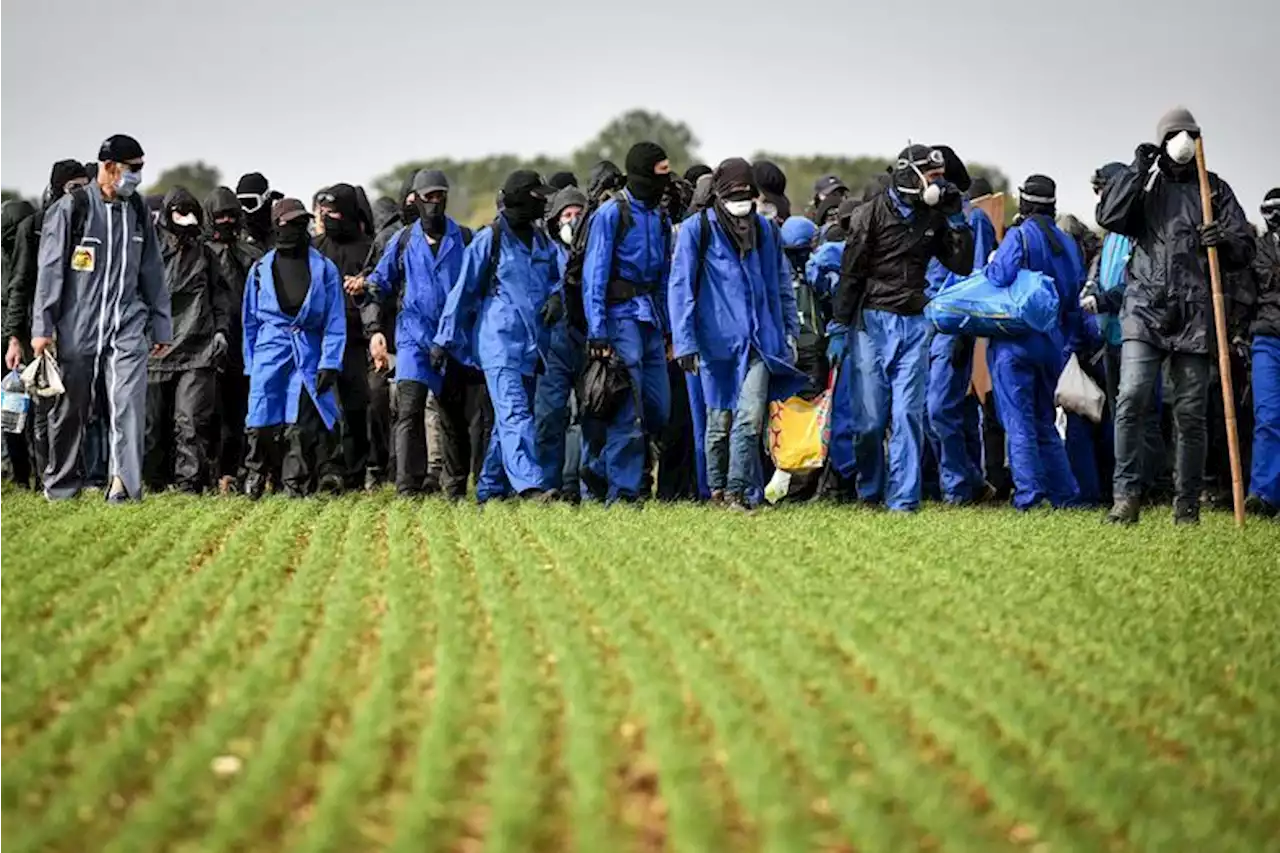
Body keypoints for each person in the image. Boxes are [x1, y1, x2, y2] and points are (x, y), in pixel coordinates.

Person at [1097, 108, 1255, 525]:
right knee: (1130, 397)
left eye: (1190, 134)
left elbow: (1245, 249)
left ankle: (1186, 502)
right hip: (1145, 307)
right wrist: (1137, 167)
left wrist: (1223, 239)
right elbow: (1110, 217)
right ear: (1164, 139)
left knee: (1190, 410)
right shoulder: (1146, 183)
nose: (1183, 140)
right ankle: (1125, 495)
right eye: (1175, 134)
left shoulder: (1214, 189)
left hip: (1196, 311)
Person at [832, 144, 975, 512]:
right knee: (870, 420)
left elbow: (961, 265)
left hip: (914, 322)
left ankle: (904, 499)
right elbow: (851, 273)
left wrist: (958, 221)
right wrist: (839, 325)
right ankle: (869, 491)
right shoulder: (869, 215)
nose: (939, 184)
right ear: (910, 175)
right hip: (871, 324)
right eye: (933, 177)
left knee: (908, 414)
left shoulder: (936, 216)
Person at [33, 134, 173, 502]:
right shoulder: (72, 208)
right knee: (71, 409)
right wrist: (42, 328)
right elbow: (49, 273)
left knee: (128, 404)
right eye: (134, 169)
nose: (139, 176)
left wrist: (161, 324)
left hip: (127, 321)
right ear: (109, 168)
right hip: (78, 323)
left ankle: (124, 487)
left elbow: (153, 272)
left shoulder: (139, 211)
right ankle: (61, 486)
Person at [669, 159, 803, 509]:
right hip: (715, 344)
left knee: (749, 418)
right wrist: (684, 342)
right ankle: (715, 489)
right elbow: (681, 287)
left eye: (747, 194)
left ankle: (736, 492)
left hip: (761, 341)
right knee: (719, 421)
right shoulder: (697, 230)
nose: (741, 202)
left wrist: (790, 332)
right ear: (719, 194)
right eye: (734, 194)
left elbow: (781, 284)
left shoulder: (766, 231)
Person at [434, 170, 561, 502]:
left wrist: (558, 296)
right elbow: (461, 293)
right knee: (515, 414)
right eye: (538, 198)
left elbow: (559, 276)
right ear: (521, 199)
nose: (544, 204)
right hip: (499, 345)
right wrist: (443, 339)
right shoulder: (488, 240)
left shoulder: (543, 241)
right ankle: (530, 486)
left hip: (534, 347)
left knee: (512, 420)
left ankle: (490, 488)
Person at [364, 170, 477, 499]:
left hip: (454, 340)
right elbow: (381, 281)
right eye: (429, 196)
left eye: (441, 195)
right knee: (408, 410)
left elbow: (474, 290)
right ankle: (407, 487)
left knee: (453, 416)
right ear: (415, 198)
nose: (435, 203)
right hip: (414, 336)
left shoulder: (465, 239)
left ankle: (454, 486)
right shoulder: (403, 241)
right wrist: (365, 290)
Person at [983, 175, 1085, 509]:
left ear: (1024, 202)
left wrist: (991, 263)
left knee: (1018, 422)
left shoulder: (1019, 236)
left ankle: (1028, 496)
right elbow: (1073, 300)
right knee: (1044, 420)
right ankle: (1065, 495)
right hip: (1052, 343)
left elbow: (999, 277)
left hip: (1015, 342)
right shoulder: (1069, 243)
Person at [582, 142, 673, 503]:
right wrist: (598, 331)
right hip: (619, 321)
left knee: (658, 410)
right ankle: (623, 494)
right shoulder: (610, 215)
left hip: (651, 320)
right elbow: (595, 276)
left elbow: (665, 276)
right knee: (628, 413)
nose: (667, 180)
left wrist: (669, 330)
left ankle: (599, 469)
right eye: (661, 172)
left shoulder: (660, 217)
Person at [242, 199, 346, 498]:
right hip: (270, 350)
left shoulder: (324, 269)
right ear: (277, 225)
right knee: (261, 418)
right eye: (290, 223)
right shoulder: (260, 271)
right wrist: (251, 363)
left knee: (299, 421)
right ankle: (257, 472)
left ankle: (295, 484)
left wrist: (330, 362)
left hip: (308, 352)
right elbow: (249, 321)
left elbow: (335, 320)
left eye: (303, 223)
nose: (297, 228)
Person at [4, 160, 89, 489]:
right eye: (74, 187)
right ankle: (46, 478)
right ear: (58, 188)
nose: (81, 194)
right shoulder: (34, 227)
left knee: (78, 408)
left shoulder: (91, 226)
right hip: (39, 331)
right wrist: (14, 337)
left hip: (80, 329)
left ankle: (74, 475)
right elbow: (19, 284)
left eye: (86, 186)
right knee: (43, 409)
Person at [144, 187, 232, 493]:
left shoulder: (205, 254)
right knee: (152, 426)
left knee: (191, 421)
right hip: (155, 349)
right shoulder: (147, 252)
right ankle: (153, 482)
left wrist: (221, 331)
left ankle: (189, 485)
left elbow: (220, 297)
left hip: (198, 349)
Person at [924, 173, 999, 506]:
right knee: (960, 410)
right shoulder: (925, 216)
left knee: (938, 410)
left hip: (952, 324)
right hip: (923, 324)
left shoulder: (974, 218)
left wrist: (960, 329)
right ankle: (973, 484)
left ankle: (958, 487)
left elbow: (975, 275)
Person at [313, 182, 374, 490]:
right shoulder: (315, 248)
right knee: (323, 405)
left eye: (336, 211)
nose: (330, 217)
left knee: (354, 406)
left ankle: (355, 471)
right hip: (320, 341)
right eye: (326, 212)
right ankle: (328, 469)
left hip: (354, 339)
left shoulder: (369, 248)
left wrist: (366, 283)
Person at [204, 186, 264, 491]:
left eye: (231, 215)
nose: (226, 221)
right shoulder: (201, 254)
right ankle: (214, 473)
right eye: (220, 216)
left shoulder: (253, 255)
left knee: (243, 412)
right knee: (210, 414)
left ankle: (235, 470)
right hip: (210, 343)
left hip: (247, 344)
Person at [535, 185, 588, 496]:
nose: (571, 220)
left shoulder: (596, 249)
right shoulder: (544, 251)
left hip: (586, 342)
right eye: (566, 215)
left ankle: (582, 486)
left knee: (589, 416)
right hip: (553, 344)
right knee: (550, 416)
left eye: (577, 215)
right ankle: (548, 484)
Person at [1244, 189, 1280, 516]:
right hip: (1267, 338)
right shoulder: (1257, 249)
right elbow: (1244, 293)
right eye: (1269, 210)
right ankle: (1263, 494)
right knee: (1268, 416)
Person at [0, 199, 36, 485]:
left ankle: (19, 473)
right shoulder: (34, 252)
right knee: (31, 411)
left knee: (12, 410)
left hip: (14, 339)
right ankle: (26, 473)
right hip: (26, 338)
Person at [236, 172, 281, 251]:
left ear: (266, 198)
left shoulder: (283, 227)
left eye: (251, 203)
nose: (246, 210)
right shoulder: (238, 232)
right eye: (242, 203)